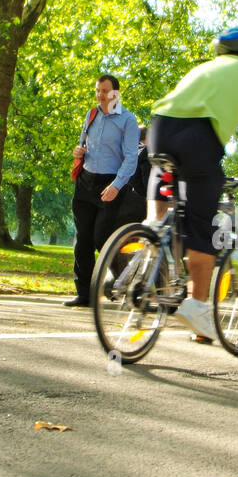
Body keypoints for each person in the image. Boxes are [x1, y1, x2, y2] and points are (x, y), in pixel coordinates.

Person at [145, 27, 238, 339]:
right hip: (198, 137)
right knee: (202, 224)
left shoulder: (205, 68)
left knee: (172, 191)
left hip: (159, 128)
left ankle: (153, 238)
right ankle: (197, 308)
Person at [64, 74, 139, 308]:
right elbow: (84, 146)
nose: (100, 95)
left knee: (102, 238)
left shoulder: (128, 120)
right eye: (97, 90)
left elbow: (131, 158)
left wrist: (116, 185)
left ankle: (128, 281)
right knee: (82, 240)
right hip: (85, 181)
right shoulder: (91, 114)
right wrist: (79, 152)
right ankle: (84, 294)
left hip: (110, 183)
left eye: (105, 91)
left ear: (116, 93)